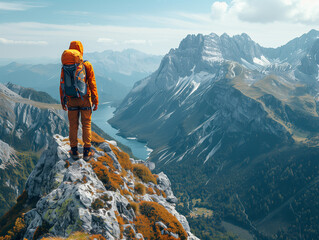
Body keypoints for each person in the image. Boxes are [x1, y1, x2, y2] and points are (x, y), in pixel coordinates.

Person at [60, 41, 99, 161]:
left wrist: (63, 101)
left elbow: (62, 84)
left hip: (71, 100)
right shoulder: (86, 65)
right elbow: (92, 83)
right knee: (86, 124)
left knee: (73, 125)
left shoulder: (65, 66)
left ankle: (74, 151)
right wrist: (95, 100)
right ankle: (87, 152)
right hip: (85, 99)